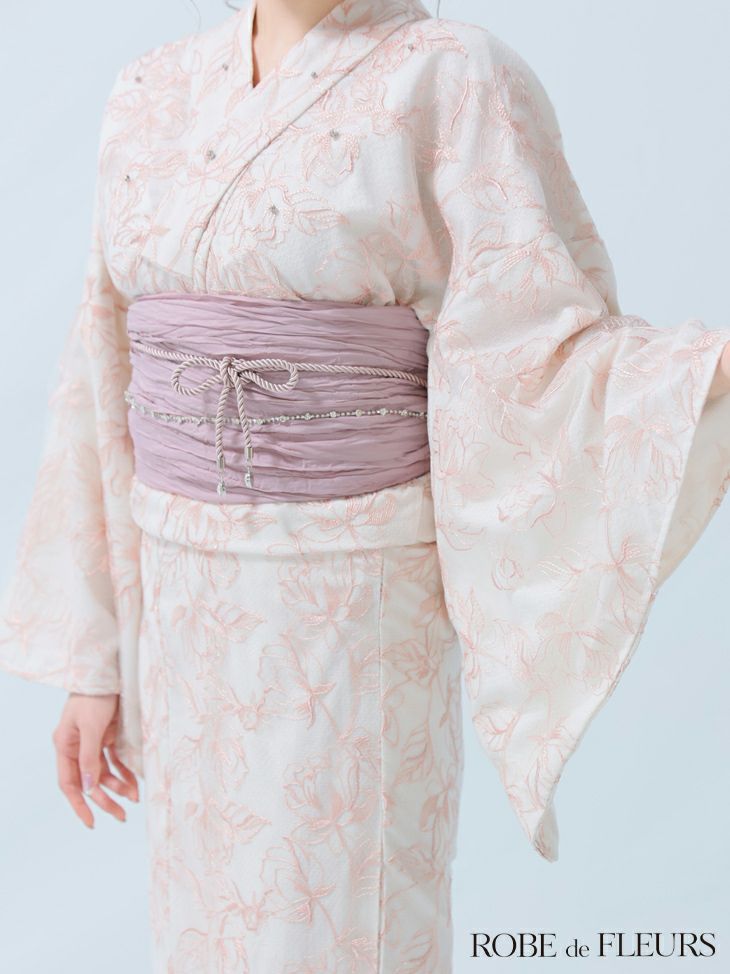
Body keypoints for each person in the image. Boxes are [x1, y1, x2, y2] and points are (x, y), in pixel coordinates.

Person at [1, 0, 729, 970]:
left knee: (341, 917)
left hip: (351, 603)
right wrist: (94, 659)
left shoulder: (451, 74)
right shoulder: (150, 89)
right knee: (205, 919)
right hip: (180, 605)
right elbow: (101, 367)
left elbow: (536, 350)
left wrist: (696, 376)